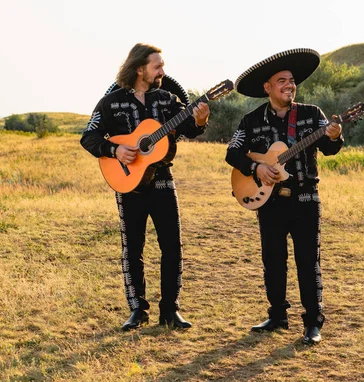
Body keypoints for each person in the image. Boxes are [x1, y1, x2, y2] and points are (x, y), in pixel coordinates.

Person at [81, 43, 209, 330]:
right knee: (133, 248)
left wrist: (200, 120)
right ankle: (138, 310)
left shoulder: (167, 99)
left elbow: (189, 128)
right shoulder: (111, 102)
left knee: (172, 247)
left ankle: (170, 311)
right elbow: (88, 137)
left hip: (163, 181)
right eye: (157, 66)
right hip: (128, 185)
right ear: (140, 69)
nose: (163, 71)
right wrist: (115, 151)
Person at [225, 48, 342, 345]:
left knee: (308, 261)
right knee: (273, 260)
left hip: (305, 199)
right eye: (282, 81)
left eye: (291, 81)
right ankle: (277, 316)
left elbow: (330, 149)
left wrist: (333, 135)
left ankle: (313, 322)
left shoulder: (312, 114)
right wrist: (257, 168)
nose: (289, 85)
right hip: (270, 202)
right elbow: (232, 152)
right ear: (267, 87)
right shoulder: (251, 120)